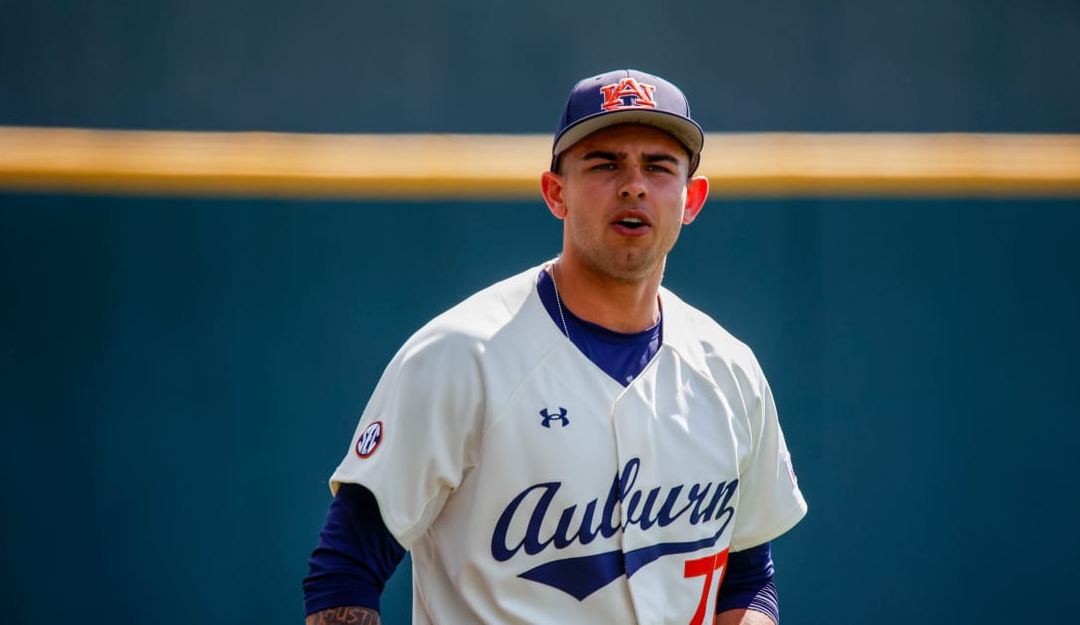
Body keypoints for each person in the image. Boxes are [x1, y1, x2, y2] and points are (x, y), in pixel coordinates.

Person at [303, 68, 808, 624]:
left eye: (659, 166)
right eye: (604, 163)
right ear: (555, 192)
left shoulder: (729, 371)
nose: (633, 184)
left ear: (691, 199)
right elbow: (345, 569)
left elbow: (748, 576)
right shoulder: (461, 356)